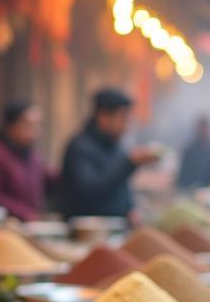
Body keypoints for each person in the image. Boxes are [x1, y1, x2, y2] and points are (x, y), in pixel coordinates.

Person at [59, 88, 161, 219]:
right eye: (123, 119)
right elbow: (89, 192)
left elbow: (121, 189)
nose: (126, 126)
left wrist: (130, 208)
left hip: (118, 227)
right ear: (104, 117)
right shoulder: (80, 148)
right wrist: (129, 163)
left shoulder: (116, 147)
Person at [0, 100, 56, 221]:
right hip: (4, 225)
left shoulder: (32, 154)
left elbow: (49, 177)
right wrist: (23, 212)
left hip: (30, 223)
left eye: (37, 125)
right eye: (28, 125)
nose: (35, 131)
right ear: (11, 126)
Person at [176, 115, 210, 189]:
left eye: (206, 128)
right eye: (202, 128)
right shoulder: (190, 149)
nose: (204, 131)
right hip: (192, 188)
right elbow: (184, 173)